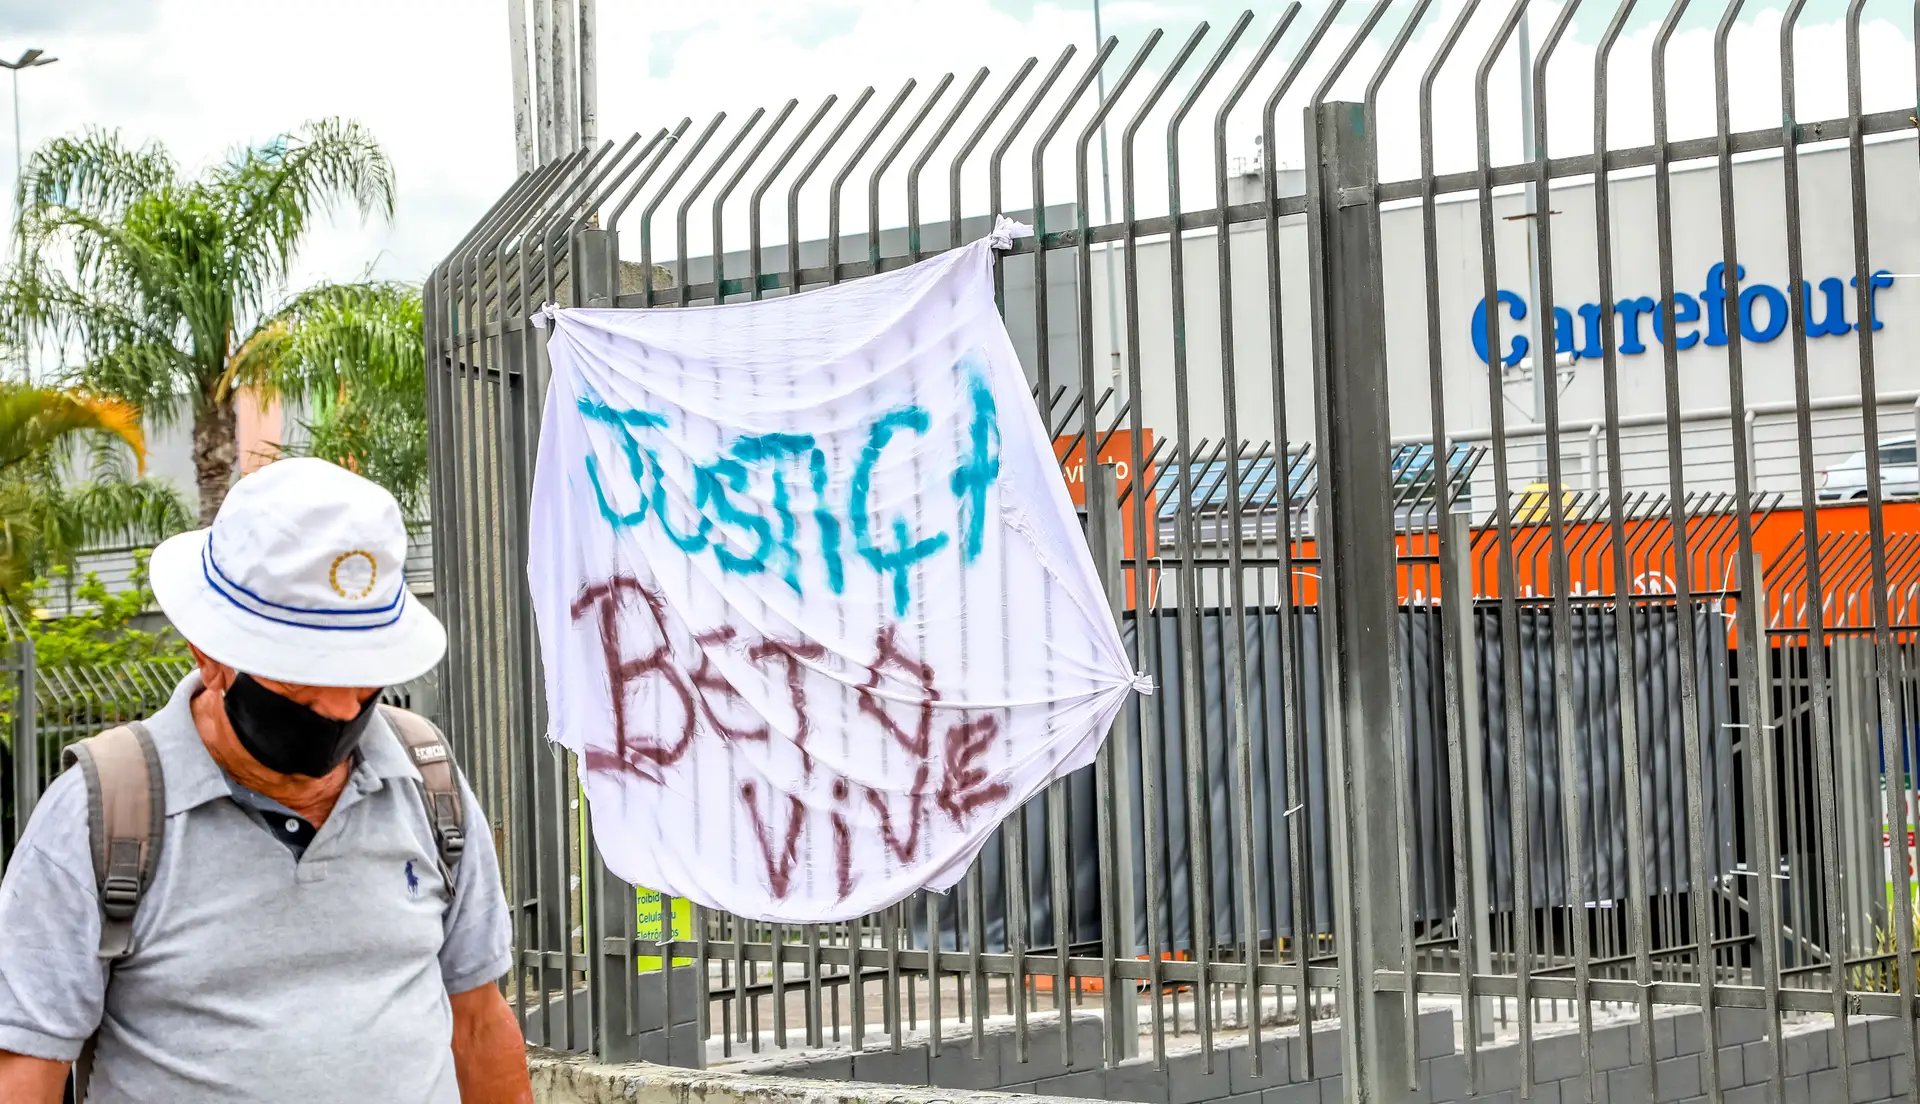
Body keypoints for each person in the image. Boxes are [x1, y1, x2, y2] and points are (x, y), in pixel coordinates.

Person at [0, 458, 531, 1103]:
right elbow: (24, 1068)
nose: (340, 709)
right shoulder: (106, 811)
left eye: (363, 675)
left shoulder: (428, 780)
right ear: (210, 653)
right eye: (302, 677)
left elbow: (477, 1021)